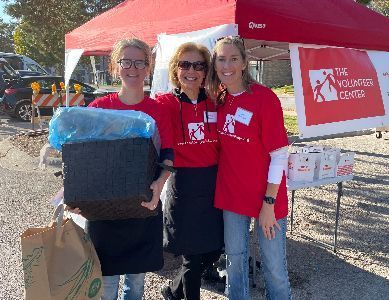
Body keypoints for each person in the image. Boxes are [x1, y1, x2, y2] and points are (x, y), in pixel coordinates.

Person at [87, 38, 174, 300]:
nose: (132, 68)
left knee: (136, 284)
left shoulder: (157, 111)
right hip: (105, 212)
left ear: (148, 68)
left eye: (139, 62)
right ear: (115, 66)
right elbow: (83, 157)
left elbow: (169, 154)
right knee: (108, 285)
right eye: (126, 61)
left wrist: (159, 184)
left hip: (143, 206)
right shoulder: (98, 109)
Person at [206, 36, 292, 300]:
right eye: (221, 59)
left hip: (267, 197)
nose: (227, 65)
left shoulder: (264, 99)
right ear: (215, 63)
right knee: (234, 262)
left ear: (244, 62)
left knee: (274, 265)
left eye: (233, 58)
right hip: (232, 195)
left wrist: (268, 203)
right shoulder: (218, 98)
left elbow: (279, 155)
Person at [157, 42, 224, 300]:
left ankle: (173, 291)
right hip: (183, 187)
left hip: (212, 186)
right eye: (185, 64)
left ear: (206, 71)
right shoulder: (164, 103)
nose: (191, 71)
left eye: (198, 65)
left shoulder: (217, 103)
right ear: (176, 69)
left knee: (213, 250)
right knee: (192, 258)